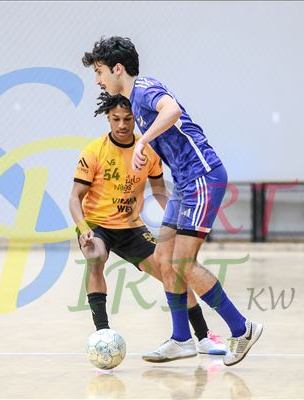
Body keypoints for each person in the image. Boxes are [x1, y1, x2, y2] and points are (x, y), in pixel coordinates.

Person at [82, 36, 262, 366]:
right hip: (183, 183)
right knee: (165, 259)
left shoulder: (144, 89)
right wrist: (145, 148)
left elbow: (172, 110)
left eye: (99, 71)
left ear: (117, 69)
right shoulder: (135, 102)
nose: (97, 80)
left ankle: (242, 328)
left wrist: (142, 143)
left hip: (202, 177)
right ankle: (182, 338)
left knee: (183, 264)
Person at [69, 92, 226, 356]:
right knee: (95, 256)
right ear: (108, 118)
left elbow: (161, 193)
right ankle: (102, 333)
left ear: (135, 119)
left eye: (127, 119)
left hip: (131, 228)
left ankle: (203, 336)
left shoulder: (147, 150)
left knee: (171, 272)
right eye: (116, 119)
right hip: (97, 226)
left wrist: (183, 224)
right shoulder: (94, 152)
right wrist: (83, 229)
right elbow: (75, 197)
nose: (122, 125)